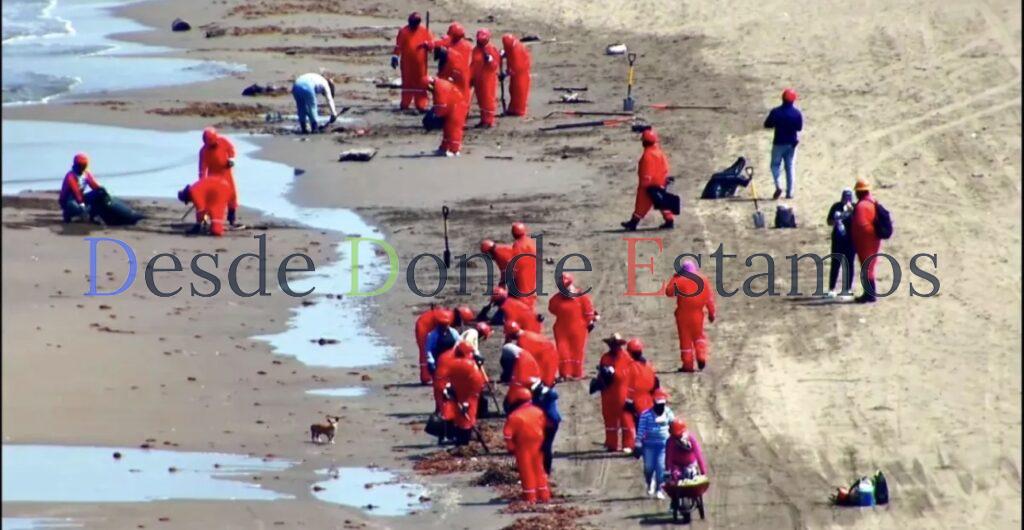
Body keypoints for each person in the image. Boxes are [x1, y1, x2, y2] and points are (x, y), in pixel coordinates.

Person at [664, 261, 716, 372]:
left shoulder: (679, 280)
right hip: (698, 314)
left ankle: (687, 365)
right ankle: (701, 356)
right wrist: (712, 313)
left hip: (683, 315)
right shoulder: (703, 280)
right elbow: (709, 298)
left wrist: (675, 277)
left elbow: (669, 292)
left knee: (685, 339)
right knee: (699, 337)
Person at [503, 386, 551, 503]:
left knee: (526, 470)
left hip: (523, 446)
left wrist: (511, 447)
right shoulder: (538, 411)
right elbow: (546, 425)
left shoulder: (514, 416)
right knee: (539, 468)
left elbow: (507, 434)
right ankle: (544, 494)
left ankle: (530, 496)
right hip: (539, 444)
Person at [548, 272, 598, 380]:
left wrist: (590, 322)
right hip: (561, 330)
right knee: (563, 351)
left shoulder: (582, 297)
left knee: (577, 351)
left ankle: (577, 373)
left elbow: (588, 311)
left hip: (578, 329)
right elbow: (552, 309)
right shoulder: (555, 300)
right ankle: (564, 374)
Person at [622, 129, 674, 231]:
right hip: (660, 181)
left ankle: (633, 223)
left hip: (650, 184)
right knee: (661, 202)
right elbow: (666, 167)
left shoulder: (648, 155)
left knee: (642, 203)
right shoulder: (659, 152)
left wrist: (645, 183)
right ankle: (669, 220)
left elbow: (647, 171)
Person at [596, 333, 635, 452]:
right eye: (612, 345)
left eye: (616, 345)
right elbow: (601, 374)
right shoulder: (605, 357)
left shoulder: (626, 357)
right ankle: (611, 444)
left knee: (626, 419)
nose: (614, 347)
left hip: (622, 393)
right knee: (609, 419)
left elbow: (628, 374)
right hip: (608, 394)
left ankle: (628, 444)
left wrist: (614, 372)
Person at [665, 418, 708, 523]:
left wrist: (703, 471)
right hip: (676, 467)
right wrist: (669, 470)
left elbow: (698, 455)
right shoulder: (670, 441)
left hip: (690, 466)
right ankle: (675, 501)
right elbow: (669, 457)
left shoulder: (691, 439)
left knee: (692, 478)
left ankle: (694, 498)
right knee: (675, 482)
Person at [763, 88, 803, 199]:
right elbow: (799, 128)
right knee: (789, 167)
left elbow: (767, 124)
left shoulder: (776, 112)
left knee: (775, 165)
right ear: (793, 100)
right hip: (791, 144)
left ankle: (778, 185)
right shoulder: (797, 114)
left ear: (782, 98)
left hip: (778, 142)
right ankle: (790, 193)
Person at [635, 389, 674, 499]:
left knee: (660, 467)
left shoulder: (668, 412)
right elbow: (641, 429)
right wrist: (638, 442)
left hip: (663, 445)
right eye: (658, 404)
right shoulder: (645, 415)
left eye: (662, 404)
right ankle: (649, 482)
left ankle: (659, 489)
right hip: (649, 446)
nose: (660, 407)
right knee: (648, 468)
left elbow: (674, 425)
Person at [391, 12, 435, 112]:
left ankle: (421, 104)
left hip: (420, 65)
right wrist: (395, 56)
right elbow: (398, 46)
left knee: (421, 83)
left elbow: (432, 45)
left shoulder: (425, 31)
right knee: (407, 83)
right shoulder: (404, 31)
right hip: (407, 64)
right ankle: (405, 104)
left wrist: (428, 45)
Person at [447, 337, 486, 446]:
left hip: (458, 391)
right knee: (469, 415)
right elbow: (478, 380)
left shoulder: (453, 363)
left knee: (460, 415)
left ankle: (460, 440)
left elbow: (450, 377)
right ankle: (464, 441)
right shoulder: (470, 364)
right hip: (470, 392)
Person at [197, 127, 239, 228]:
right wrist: (203, 183)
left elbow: (232, 152)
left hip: (226, 173)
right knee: (213, 199)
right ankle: (208, 218)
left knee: (232, 195)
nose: (213, 145)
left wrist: (230, 160)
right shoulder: (203, 152)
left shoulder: (223, 142)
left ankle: (231, 218)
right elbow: (202, 169)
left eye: (214, 142)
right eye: (210, 144)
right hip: (213, 176)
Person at [851, 178, 882, 303]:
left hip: (866, 241)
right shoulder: (873, 202)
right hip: (873, 240)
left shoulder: (862, 206)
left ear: (859, 192)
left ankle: (869, 295)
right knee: (870, 266)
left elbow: (860, 225)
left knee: (867, 267)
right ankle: (870, 293)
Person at [431, 23, 473, 110]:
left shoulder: (466, 46)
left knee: (462, 91)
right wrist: (430, 44)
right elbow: (438, 44)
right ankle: (446, 106)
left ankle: (463, 109)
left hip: (460, 72)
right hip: (450, 69)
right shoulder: (452, 42)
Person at [423, 75, 467, 157]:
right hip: (452, 106)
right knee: (447, 129)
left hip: (457, 107)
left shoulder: (440, 88)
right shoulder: (438, 85)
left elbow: (441, 105)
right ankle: (444, 148)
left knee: (454, 129)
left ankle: (455, 150)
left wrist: (436, 116)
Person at [505, 321, 558, 388]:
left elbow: (527, 360)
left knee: (544, 385)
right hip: (548, 354)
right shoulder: (525, 334)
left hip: (547, 356)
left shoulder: (522, 341)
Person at [826, 188, 856, 299]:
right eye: (845, 197)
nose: (847, 199)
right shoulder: (836, 206)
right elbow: (828, 221)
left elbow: (858, 221)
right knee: (835, 263)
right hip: (837, 239)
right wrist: (838, 218)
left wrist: (851, 212)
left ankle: (847, 290)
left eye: (849, 197)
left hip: (850, 240)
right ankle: (831, 289)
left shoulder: (855, 207)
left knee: (849, 264)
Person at [470, 28, 501, 128]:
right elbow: (473, 64)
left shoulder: (491, 49)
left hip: (488, 79)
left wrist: (490, 60)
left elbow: (495, 66)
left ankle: (489, 120)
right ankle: (484, 119)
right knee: (481, 100)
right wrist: (471, 77)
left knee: (488, 99)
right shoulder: (475, 50)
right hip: (478, 78)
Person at [59, 153, 102, 223]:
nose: (82, 167)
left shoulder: (86, 174)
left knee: (99, 194)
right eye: (80, 165)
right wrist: (82, 204)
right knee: (73, 205)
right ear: (76, 165)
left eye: (84, 165)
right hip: (68, 200)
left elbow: (94, 185)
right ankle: (68, 214)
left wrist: (101, 190)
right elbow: (76, 191)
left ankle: (92, 216)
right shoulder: (70, 176)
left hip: (81, 197)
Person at [624, 338, 658, 425]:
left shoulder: (631, 367)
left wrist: (628, 402)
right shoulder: (649, 365)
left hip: (637, 402)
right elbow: (655, 383)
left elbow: (630, 388)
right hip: (649, 401)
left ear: (630, 352)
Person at [531, 381, 561, 474]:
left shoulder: (538, 400)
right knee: (546, 446)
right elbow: (555, 395)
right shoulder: (550, 395)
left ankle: (546, 469)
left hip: (548, 424)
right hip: (553, 422)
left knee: (546, 446)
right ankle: (546, 468)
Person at [501, 34, 531, 117]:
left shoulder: (516, 50)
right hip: (516, 74)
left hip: (521, 74)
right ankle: (513, 108)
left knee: (520, 92)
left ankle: (519, 110)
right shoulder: (513, 46)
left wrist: (506, 73)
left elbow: (516, 66)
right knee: (513, 90)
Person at [509, 222, 538, 308]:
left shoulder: (517, 244)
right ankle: (531, 310)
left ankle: (526, 314)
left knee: (523, 294)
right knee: (530, 291)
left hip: (522, 272)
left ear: (514, 233)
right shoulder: (530, 241)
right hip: (532, 269)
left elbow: (515, 262)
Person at [425, 308, 460, 375]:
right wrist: (430, 361)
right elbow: (428, 350)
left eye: (445, 325)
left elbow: (460, 344)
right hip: (439, 361)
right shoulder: (433, 335)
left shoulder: (454, 332)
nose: (443, 327)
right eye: (441, 325)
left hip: (452, 359)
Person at [414, 306, 440, 384]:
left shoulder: (444, 314)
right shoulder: (446, 318)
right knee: (424, 351)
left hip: (425, 324)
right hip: (423, 326)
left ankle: (430, 375)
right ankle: (425, 376)